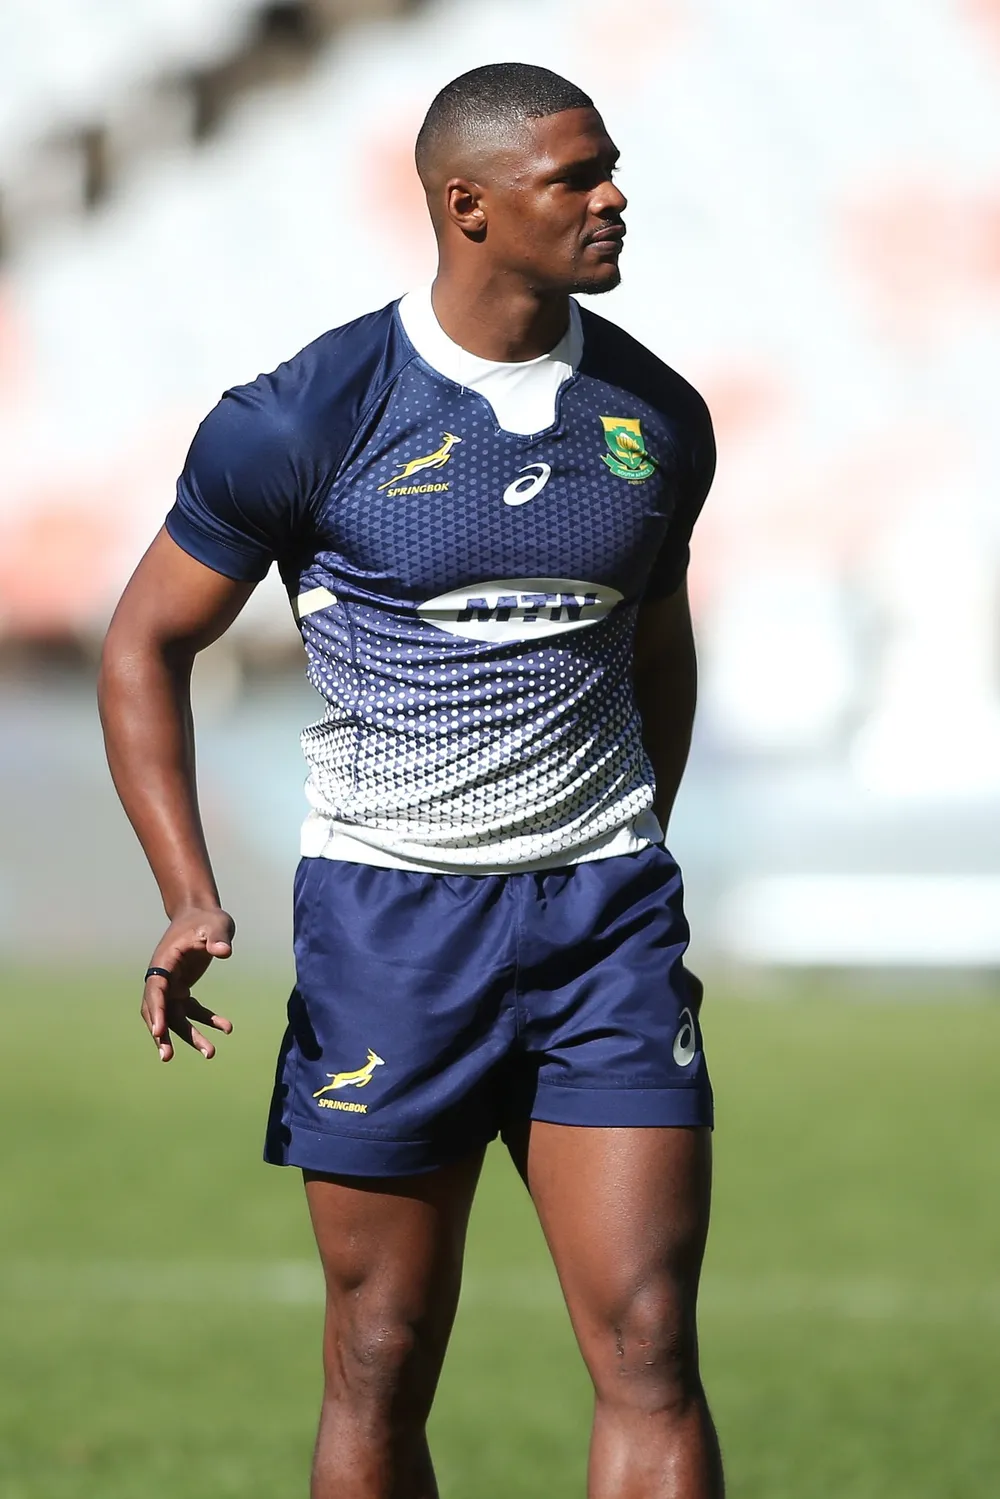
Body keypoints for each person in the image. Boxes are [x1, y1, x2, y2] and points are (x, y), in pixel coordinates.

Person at [98, 61, 722, 1499]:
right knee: (379, 1356)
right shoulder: (304, 418)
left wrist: (637, 839)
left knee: (650, 1343)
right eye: (577, 177)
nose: (614, 198)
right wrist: (188, 893)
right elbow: (145, 642)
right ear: (468, 204)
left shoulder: (658, 415)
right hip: (391, 927)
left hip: (605, 925)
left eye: (611, 167)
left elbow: (661, 648)